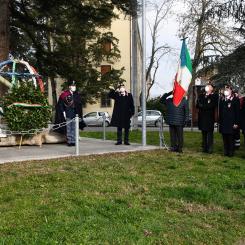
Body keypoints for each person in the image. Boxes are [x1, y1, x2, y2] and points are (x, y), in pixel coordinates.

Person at [55, 81, 83, 146]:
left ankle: (74, 141)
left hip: (75, 114)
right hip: (68, 113)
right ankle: (70, 141)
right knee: (69, 128)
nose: (74, 87)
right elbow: (61, 104)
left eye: (75, 86)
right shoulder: (64, 94)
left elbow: (79, 105)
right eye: (73, 86)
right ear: (69, 87)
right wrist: (63, 112)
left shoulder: (76, 95)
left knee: (74, 128)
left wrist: (79, 113)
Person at [196, 83, 218, 153]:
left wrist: (202, 106)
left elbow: (212, 105)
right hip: (202, 117)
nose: (207, 87)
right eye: (206, 86)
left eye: (209, 86)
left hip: (209, 118)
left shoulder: (214, 96)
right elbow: (197, 105)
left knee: (209, 134)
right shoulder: (202, 95)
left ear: (212, 88)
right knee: (204, 133)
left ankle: (210, 148)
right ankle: (204, 148)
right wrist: (201, 105)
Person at [219, 85, 240, 157]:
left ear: (231, 91)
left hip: (231, 123)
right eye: (225, 89)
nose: (226, 90)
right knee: (224, 137)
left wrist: (236, 123)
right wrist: (220, 122)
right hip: (224, 122)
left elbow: (237, 112)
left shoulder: (235, 99)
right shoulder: (222, 99)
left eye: (227, 89)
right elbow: (220, 112)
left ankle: (231, 152)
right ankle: (226, 151)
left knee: (231, 138)